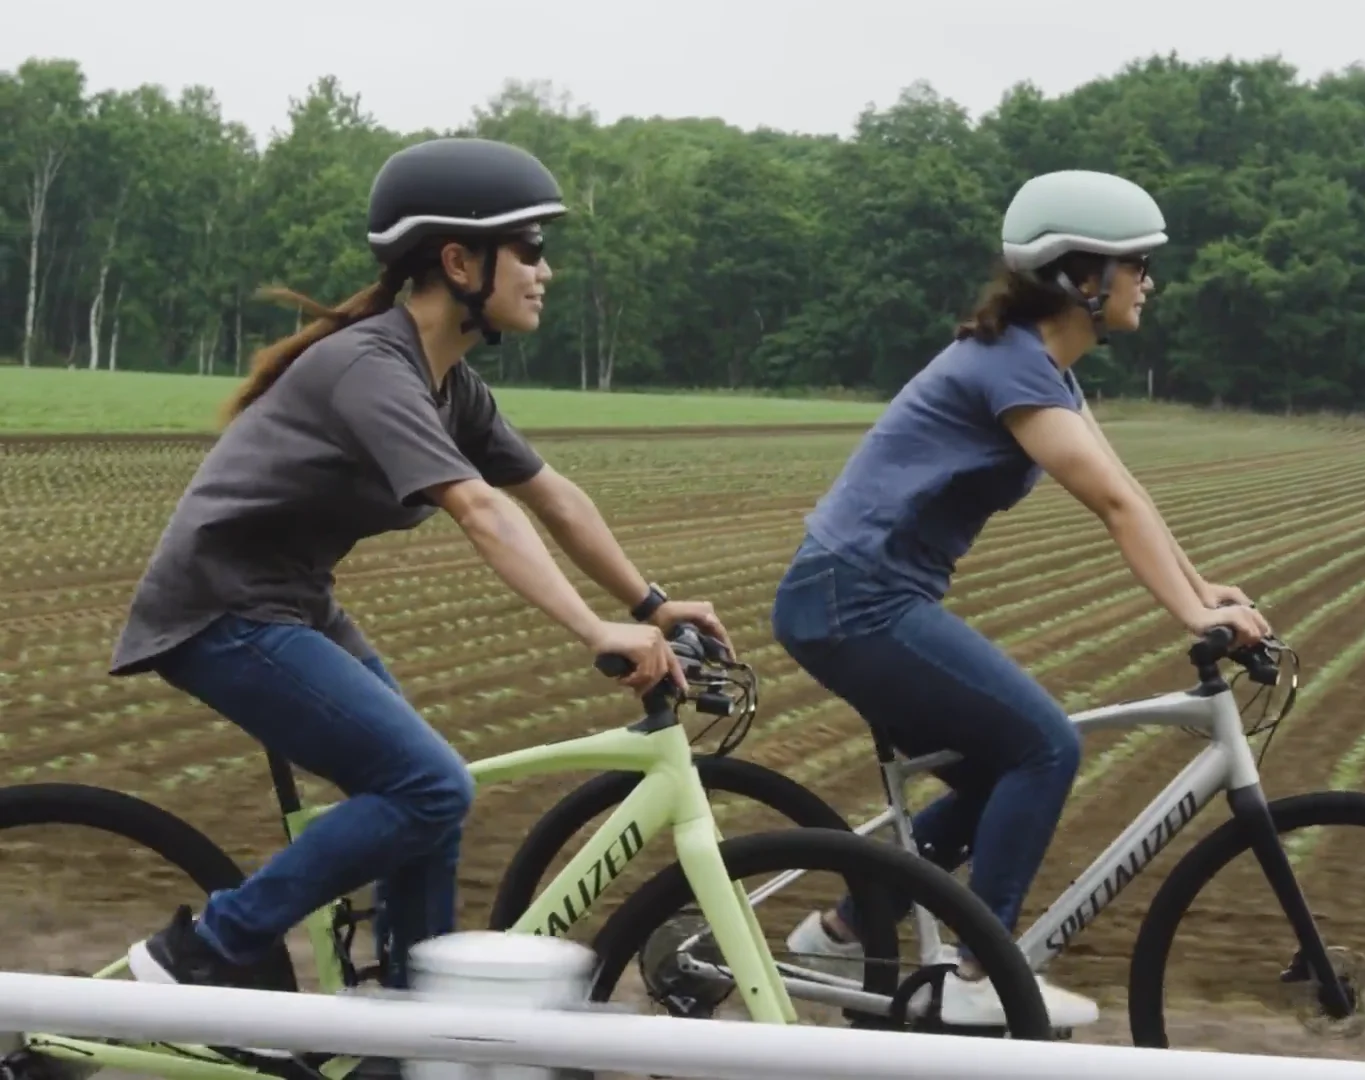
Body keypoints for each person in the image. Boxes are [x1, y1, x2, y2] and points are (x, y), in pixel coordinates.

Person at [107, 137, 731, 1006]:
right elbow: (481, 511)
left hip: (293, 604)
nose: (544, 270)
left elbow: (553, 496)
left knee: (436, 795)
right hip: (221, 612)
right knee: (427, 784)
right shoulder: (373, 366)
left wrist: (651, 603)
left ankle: (408, 1027)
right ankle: (208, 947)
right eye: (531, 248)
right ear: (459, 260)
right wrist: (594, 629)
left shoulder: (451, 385)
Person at [770, 169, 1271, 1028]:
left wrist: (1201, 585)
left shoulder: (1047, 372)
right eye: (1136, 265)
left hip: (859, 595)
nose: (1149, 282)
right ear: (1082, 276)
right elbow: (1109, 504)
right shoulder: (1011, 367)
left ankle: (848, 926)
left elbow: (1127, 489)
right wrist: (1191, 617)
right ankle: (979, 975)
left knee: (1006, 765)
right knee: (1042, 747)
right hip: (855, 598)